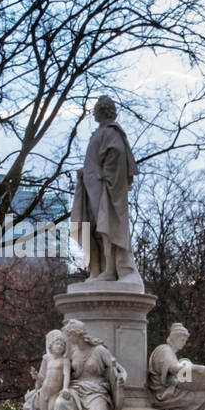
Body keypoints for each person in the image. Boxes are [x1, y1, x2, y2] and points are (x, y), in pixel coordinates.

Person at [71, 95, 142, 284]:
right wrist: (86, 172)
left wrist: (104, 174)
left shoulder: (111, 132)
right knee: (92, 227)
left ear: (102, 110)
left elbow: (116, 154)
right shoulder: (99, 132)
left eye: (95, 108)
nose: (93, 112)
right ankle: (97, 269)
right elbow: (95, 159)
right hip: (91, 186)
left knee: (105, 227)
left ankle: (110, 270)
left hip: (102, 187)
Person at [48, 319, 126, 410]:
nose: (67, 339)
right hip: (76, 388)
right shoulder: (72, 352)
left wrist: (122, 378)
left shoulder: (99, 350)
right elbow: (64, 371)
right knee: (61, 403)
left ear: (77, 335)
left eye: (69, 335)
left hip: (96, 390)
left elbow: (120, 369)